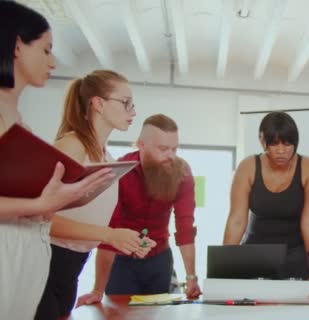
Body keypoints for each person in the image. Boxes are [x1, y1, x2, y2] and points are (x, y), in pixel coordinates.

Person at [0, 2, 114, 319]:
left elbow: (30, 199)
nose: (53, 62)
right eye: (47, 50)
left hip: (28, 255)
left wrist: (72, 196)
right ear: (18, 45)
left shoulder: (18, 120)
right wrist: (41, 206)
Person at [34, 70, 157, 319]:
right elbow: (38, 218)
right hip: (45, 265)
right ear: (98, 104)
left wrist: (125, 239)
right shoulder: (72, 146)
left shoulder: (106, 158)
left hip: (72, 268)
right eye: (125, 103)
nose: (132, 111)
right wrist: (110, 235)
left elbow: (94, 220)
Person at [77, 114, 201, 306]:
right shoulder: (121, 172)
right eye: (163, 149)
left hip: (160, 259)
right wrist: (97, 289)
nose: (171, 155)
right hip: (121, 261)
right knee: (119, 314)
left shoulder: (182, 172)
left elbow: (185, 226)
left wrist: (191, 277)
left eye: (174, 149)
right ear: (141, 145)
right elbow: (110, 233)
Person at [223, 111, 309, 279]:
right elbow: (237, 220)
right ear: (263, 142)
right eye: (274, 144)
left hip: (295, 255)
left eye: (286, 144)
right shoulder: (248, 166)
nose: (281, 151)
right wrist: (223, 266)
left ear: (295, 143)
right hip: (254, 254)